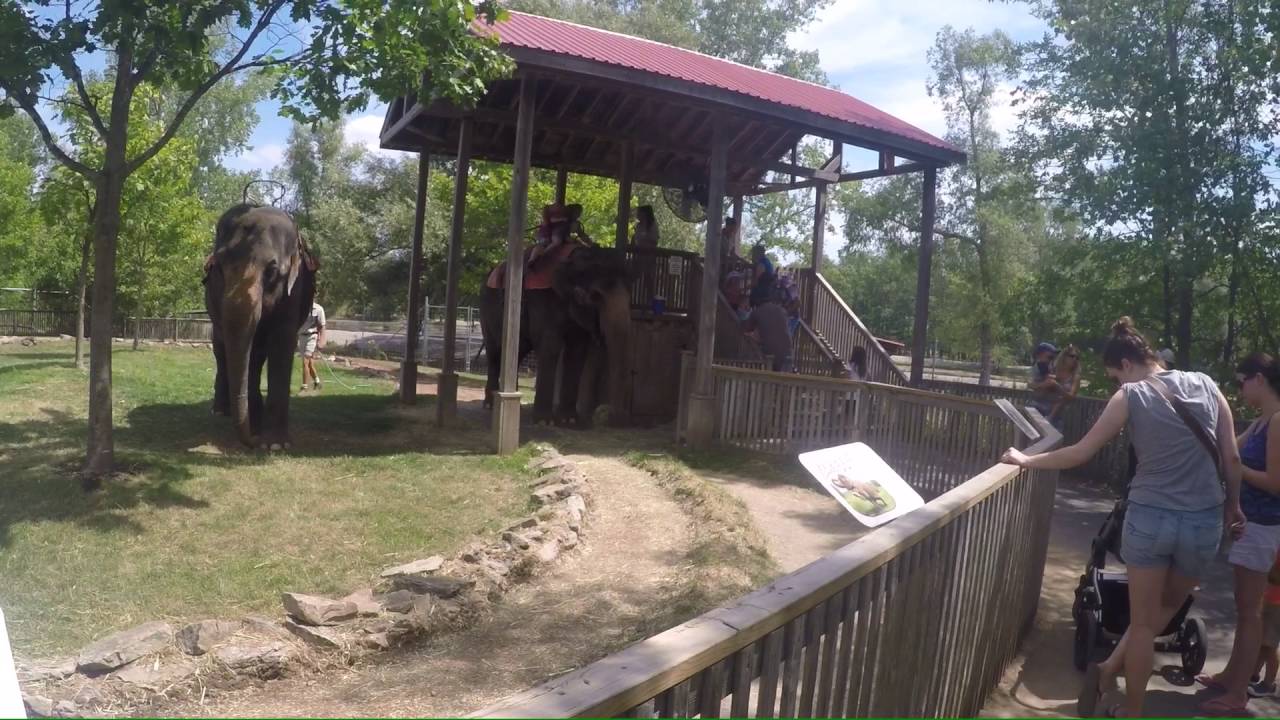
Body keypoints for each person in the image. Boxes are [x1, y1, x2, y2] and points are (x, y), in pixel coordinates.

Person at [1000, 317, 1244, 719]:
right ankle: (1113, 673)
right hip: (1202, 520)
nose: (1116, 384)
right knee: (1171, 605)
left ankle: (1130, 705)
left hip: (1149, 519)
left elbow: (1082, 451)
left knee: (1145, 624)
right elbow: (1231, 458)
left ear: (1126, 365)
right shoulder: (1207, 384)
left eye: (1114, 376)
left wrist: (1027, 459)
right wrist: (1233, 505)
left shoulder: (1130, 395)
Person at [1198, 352, 1280, 715]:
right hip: (1251, 527)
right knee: (1244, 607)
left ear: (1259, 379)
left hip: (1264, 528)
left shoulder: (1278, 421)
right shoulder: (1263, 421)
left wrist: (1238, 470)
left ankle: (1237, 694)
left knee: (1251, 613)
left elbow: (1275, 483)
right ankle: (1232, 674)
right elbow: (1229, 448)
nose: (1240, 388)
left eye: (1242, 381)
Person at [1247, 551, 1280, 700]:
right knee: (1262, 640)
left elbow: (1274, 574)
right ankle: (1253, 674)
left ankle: (1269, 684)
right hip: (1270, 597)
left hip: (1277, 603)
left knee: (1269, 645)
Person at [743, 292, 792, 373]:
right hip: (787, 350)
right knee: (785, 380)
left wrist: (744, 313)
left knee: (771, 378)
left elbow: (747, 328)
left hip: (770, 352)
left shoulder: (757, 312)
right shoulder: (781, 310)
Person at [1048, 343, 1082, 425]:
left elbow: (1071, 396)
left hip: (1063, 414)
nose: (1074, 359)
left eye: (1077, 357)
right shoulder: (1053, 371)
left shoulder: (1075, 376)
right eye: (1072, 356)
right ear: (1064, 356)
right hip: (1046, 407)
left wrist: (1057, 386)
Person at [1027, 341, 1060, 420]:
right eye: (1050, 356)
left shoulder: (1046, 365)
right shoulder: (1041, 364)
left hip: (1044, 404)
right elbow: (1049, 378)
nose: (1052, 358)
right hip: (1039, 405)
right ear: (1040, 354)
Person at [298, 300, 326, 392]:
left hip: (312, 336)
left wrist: (321, 340)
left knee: (305, 362)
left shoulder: (318, 309)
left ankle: (304, 386)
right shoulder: (300, 307)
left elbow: (322, 326)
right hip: (301, 336)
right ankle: (317, 382)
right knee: (309, 363)